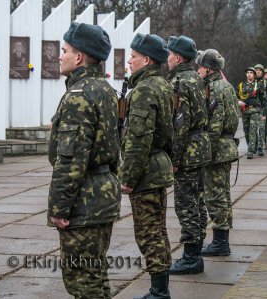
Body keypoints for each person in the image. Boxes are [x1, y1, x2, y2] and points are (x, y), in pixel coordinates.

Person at [47, 22, 121, 298]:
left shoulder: (78, 96)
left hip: (84, 201)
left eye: (64, 50)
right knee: (96, 275)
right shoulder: (104, 89)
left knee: (82, 282)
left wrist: (59, 208)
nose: (59, 55)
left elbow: (70, 161)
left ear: (78, 57)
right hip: (102, 194)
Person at [119, 33, 173, 299]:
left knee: (148, 234)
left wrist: (127, 177)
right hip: (157, 167)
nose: (129, 61)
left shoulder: (145, 89)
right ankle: (160, 288)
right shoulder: (162, 84)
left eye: (133, 56)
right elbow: (170, 129)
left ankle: (159, 292)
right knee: (158, 230)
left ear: (146, 59)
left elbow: (138, 139)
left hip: (147, 172)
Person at [166, 35, 211, 274]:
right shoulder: (195, 78)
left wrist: (174, 158)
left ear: (178, 57)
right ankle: (196, 251)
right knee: (197, 202)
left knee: (186, 204)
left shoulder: (180, 81)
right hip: (200, 147)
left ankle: (191, 257)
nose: (167, 58)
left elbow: (180, 122)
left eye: (170, 53)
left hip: (188, 150)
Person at [196, 49, 239, 256]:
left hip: (218, 148)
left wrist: (207, 150)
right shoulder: (227, 86)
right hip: (227, 145)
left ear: (208, 68)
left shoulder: (213, 88)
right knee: (223, 195)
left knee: (215, 196)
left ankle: (221, 243)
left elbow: (215, 122)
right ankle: (222, 240)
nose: (198, 70)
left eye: (200, 67)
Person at [238, 66, 262, 159]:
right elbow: (236, 96)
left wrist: (263, 112)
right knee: (246, 131)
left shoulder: (258, 85)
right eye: (247, 72)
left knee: (253, 130)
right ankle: (254, 146)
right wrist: (238, 101)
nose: (249, 74)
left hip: (255, 110)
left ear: (254, 75)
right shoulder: (241, 85)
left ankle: (250, 150)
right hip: (245, 111)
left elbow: (263, 99)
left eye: (251, 73)